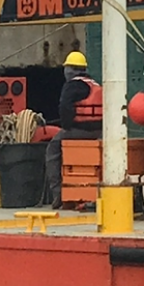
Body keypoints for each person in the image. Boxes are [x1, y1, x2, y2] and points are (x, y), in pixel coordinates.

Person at [44, 51, 102, 207]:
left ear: (70, 69)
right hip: (98, 131)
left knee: (53, 149)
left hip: (79, 130)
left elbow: (65, 107)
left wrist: (67, 126)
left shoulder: (72, 85)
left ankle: (58, 194)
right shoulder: (93, 83)